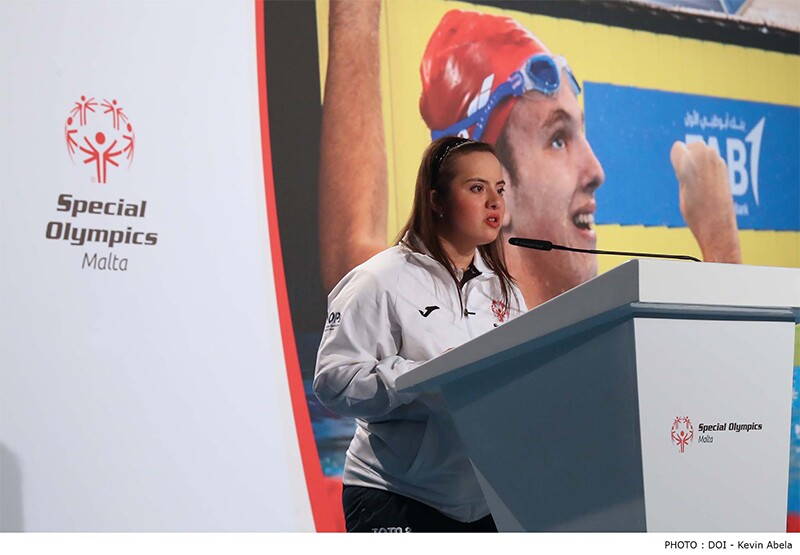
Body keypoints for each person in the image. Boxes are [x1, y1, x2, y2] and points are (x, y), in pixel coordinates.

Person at [319, 1, 741, 306]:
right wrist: (721, 244)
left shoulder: (598, 329)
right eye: (558, 138)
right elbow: (726, 416)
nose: (597, 170)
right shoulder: (447, 323)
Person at [314, 137, 526, 532]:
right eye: (477, 188)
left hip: (483, 502)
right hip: (396, 493)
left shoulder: (506, 292)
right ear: (437, 200)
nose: (494, 203)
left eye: (499, 189)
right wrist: (422, 377)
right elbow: (331, 381)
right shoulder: (379, 279)